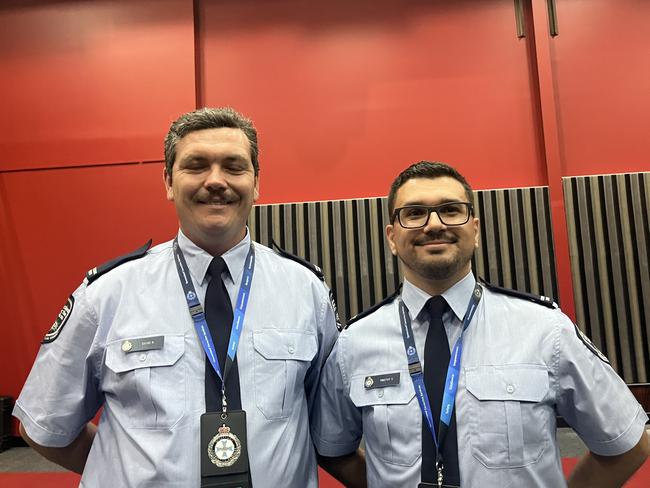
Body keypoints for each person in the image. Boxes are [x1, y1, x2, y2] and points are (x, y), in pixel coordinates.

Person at [13, 107, 353, 487]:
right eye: (196, 165)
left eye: (234, 166)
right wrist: (125, 467)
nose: (216, 181)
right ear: (169, 182)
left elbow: (331, 426)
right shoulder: (107, 293)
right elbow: (45, 427)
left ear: (256, 182)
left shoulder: (306, 290)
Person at [312, 161, 650, 487]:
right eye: (414, 213)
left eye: (451, 209)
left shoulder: (545, 331)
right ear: (391, 237)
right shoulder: (353, 343)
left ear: (474, 230)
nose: (433, 224)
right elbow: (332, 449)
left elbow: (626, 443)